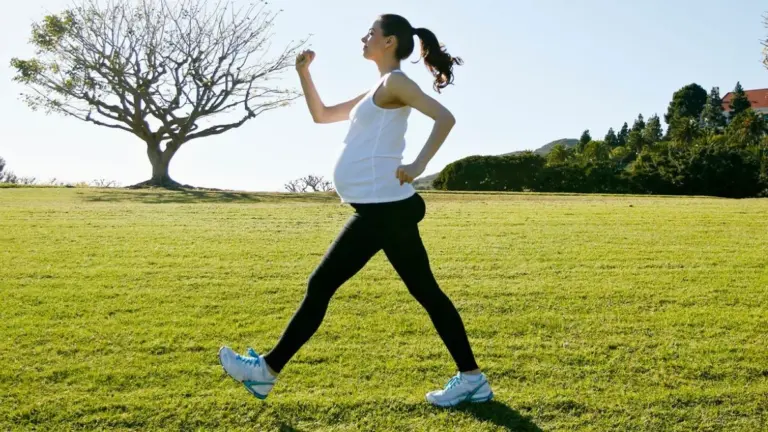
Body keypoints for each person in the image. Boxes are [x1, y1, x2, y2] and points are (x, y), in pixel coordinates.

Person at [218, 13, 493, 408]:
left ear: (389, 42)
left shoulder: (396, 82)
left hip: (384, 208)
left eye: (371, 33)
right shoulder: (377, 88)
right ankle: (472, 379)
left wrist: (417, 167)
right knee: (423, 292)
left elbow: (445, 118)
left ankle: (266, 371)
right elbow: (323, 115)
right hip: (380, 210)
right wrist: (304, 74)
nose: (364, 38)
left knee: (325, 285)